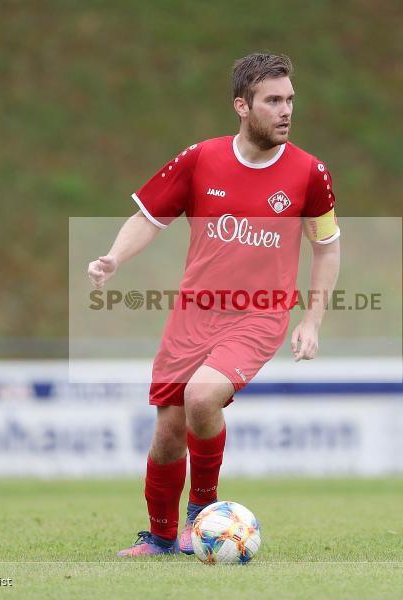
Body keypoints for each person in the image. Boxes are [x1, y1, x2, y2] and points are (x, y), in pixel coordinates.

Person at [87, 53, 341, 556]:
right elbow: (148, 217)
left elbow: (327, 247)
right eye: (273, 101)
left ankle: (202, 515)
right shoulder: (201, 159)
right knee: (168, 432)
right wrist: (114, 257)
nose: (286, 110)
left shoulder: (310, 173)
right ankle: (160, 538)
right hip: (193, 313)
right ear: (242, 106)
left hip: (259, 313)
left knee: (201, 397)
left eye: (290, 99)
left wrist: (312, 320)